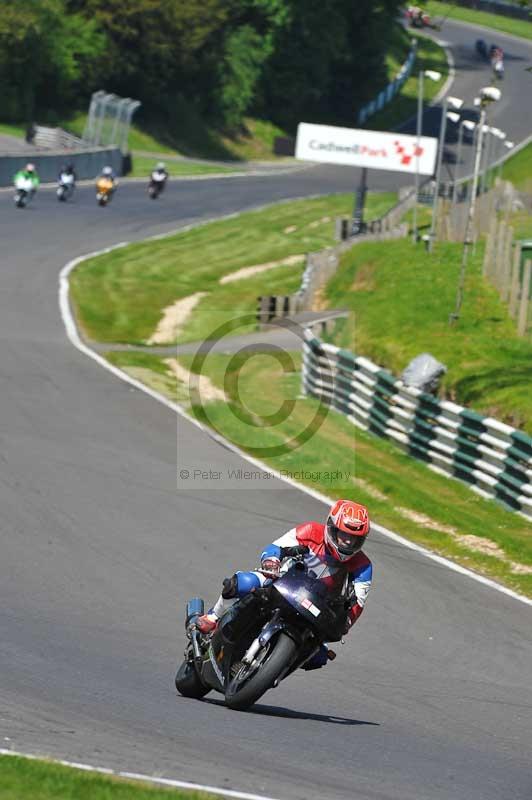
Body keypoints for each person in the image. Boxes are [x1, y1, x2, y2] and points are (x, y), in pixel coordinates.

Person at [197, 499, 373, 670]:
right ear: (331, 527)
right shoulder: (310, 531)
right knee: (243, 583)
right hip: (282, 581)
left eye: (354, 539)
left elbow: (358, 602)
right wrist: (272, 562)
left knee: (318, 657)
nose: (348, 542)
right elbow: (275, 548)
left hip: (319, 606)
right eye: (343, 535)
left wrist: (346, 621)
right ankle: (213, 617)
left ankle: (271, 669)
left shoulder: (363, 565)